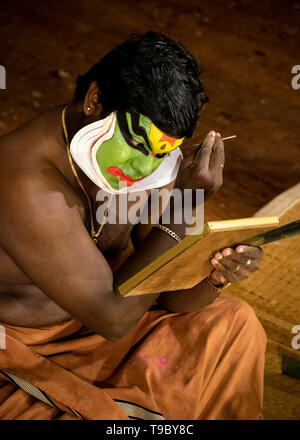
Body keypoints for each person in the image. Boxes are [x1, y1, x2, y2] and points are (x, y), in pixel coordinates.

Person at [0, 31, 266, 420]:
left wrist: (215, 277)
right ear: (95, 101)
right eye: (138, 144)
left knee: (234, 325)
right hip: (25, 350)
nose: (144, 168)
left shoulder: (138, 163)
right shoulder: (24, 181)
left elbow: (169, 296)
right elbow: (116, 319)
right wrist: (185, 204)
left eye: (163, 152)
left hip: (103, 326)